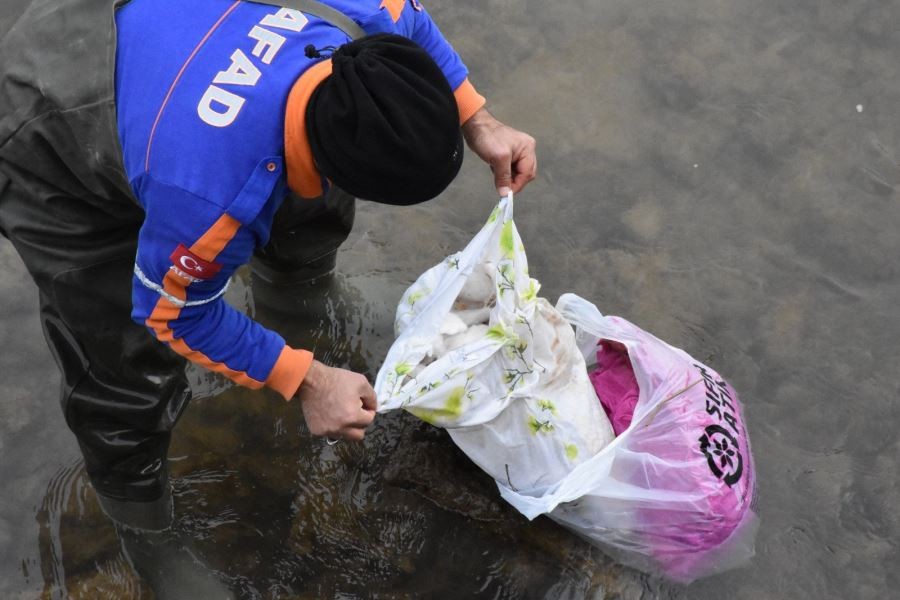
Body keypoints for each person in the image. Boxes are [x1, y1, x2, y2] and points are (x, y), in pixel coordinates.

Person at [0, 0, 536, 535]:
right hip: (53, 113)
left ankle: (300, 302)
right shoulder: (208, 198)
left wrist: (477, 119)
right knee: (120, 357)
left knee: (309, 210)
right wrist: (308, 380)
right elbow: (173, 315)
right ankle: (142, 530)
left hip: (182, 42)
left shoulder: (355, 19)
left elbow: (410, 20)